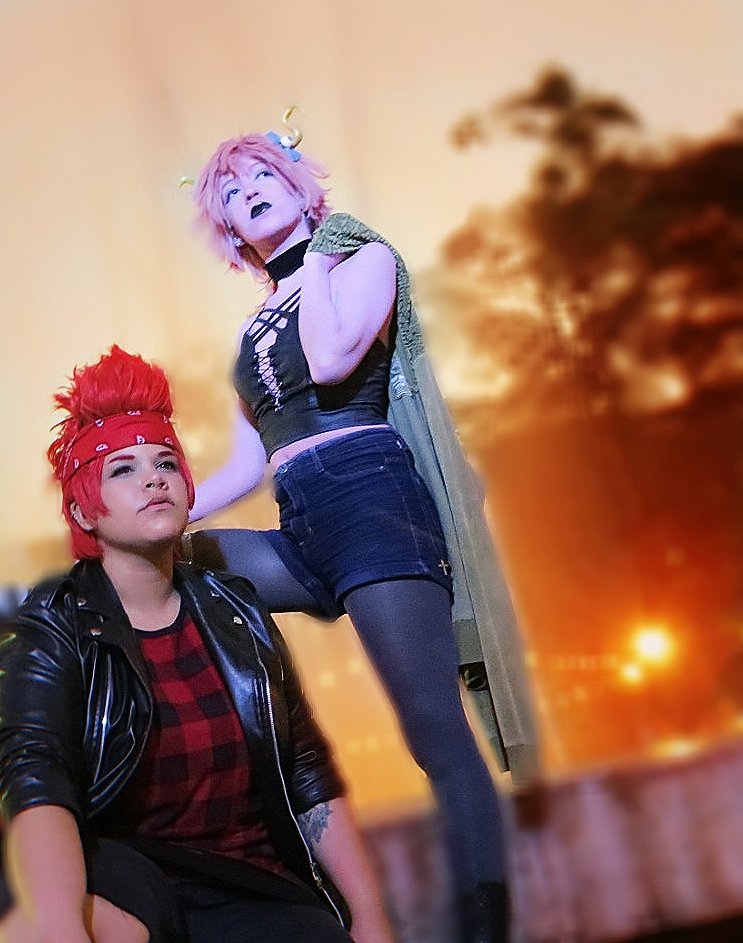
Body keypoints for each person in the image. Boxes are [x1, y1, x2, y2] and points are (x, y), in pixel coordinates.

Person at [186, 130, 510, 942]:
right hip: (301, 519)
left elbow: (332, 362)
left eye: (264, 174)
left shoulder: (362, 261)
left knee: (431, 727)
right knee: (177, 562)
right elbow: (246, 464)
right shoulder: (253, 327)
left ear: (300, 188)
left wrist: (319, 258)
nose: (251, 191)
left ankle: (487, 920)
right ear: (230, 231)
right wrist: (159, 512)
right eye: (234, 192)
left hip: (370, 496)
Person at [0, 345, 394, 943]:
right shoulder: (57, 621)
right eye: (122, 469)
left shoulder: (237, 610)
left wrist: (370, 915)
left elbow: (306, 770)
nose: (153, 478)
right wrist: (62, 927)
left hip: (249, 880)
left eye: (165, 461)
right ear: (83, 512)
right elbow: (37, 773)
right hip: (125, 875)